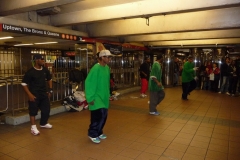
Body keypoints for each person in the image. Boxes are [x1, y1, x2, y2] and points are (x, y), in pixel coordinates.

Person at [85, 50, 113, 144]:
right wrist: (90, 98)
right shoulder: (95, 68)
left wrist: (108, 94)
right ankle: (92, 134)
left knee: (104, 115)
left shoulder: (107, 68)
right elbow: (89, 83)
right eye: (108, 57)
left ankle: (99, 131)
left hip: (103, 96)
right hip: (96, 96)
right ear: (102, 58)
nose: (109, 59)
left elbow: (106, 83)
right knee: (98, 115)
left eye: (110, 57)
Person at [21, 54, 53, 136]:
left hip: (44, 94)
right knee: (33, 112)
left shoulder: (45, 70)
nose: (43, 61)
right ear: (36, 60)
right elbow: (24, 84)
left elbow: (49, 79)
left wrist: (50, 90)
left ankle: (43, 123)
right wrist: (29, 95)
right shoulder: (30, 72)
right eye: (41, 59)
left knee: (46, 110)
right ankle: (33, 127)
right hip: (34, 95)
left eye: (43, 59)